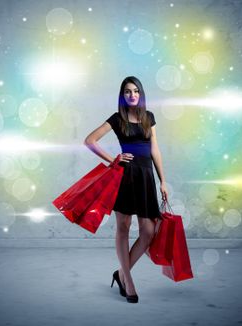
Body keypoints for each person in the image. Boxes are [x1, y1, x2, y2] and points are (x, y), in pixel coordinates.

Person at [83, 76, 168, 303]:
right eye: (128, 92)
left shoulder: (148, 117)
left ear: (141, 94)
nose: (132, 95)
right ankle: (128, 282)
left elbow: (155, 150)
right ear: (123, 95)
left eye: (136, 91)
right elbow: (90, 140)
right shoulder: (117, 118)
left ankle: (121, 273)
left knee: (148, 232)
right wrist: (113, 160)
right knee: (123, 227)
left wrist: (162, 181)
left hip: (146, 177)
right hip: (126, 177)